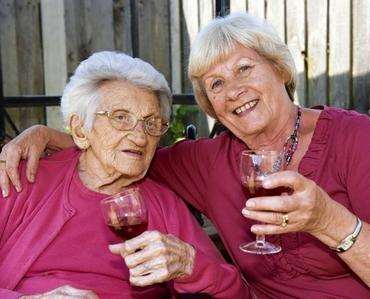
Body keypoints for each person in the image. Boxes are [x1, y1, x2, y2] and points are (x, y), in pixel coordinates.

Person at [1, 13, 370, 298]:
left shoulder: (357, 140)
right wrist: (52, 134)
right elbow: (127, 153)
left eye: (244, 68)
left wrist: (328, 221)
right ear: (211, 105)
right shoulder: (207, 161)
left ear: (279, 69)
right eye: (214, 84)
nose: (232, 89)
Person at [0, 51, 249, 299]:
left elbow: (235, 292)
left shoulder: (164, 205)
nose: (141, 137)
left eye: (151, 123)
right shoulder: (21, 178)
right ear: (80, 129)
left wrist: (189, 266)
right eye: (120, 117)